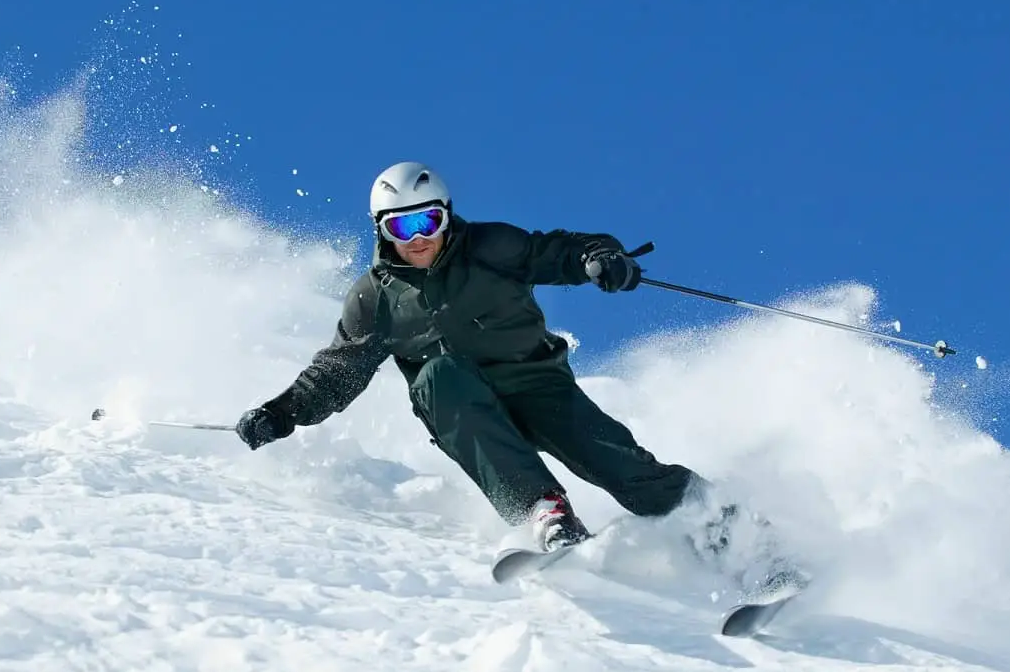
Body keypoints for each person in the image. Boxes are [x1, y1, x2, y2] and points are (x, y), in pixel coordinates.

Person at [235, 161, 726, 554]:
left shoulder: (491, 246)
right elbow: (339, 369)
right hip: (461, 404)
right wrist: (280, 413)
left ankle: (737, 535)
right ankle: (546, 513)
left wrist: (600, 257)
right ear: (382, 231)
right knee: (437, 376)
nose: (419, 237)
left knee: (622, 467)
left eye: (430, 220)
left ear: (447, 214)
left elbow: (557, 251)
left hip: (538, 384)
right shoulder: (375, 298)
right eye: (402, 226)